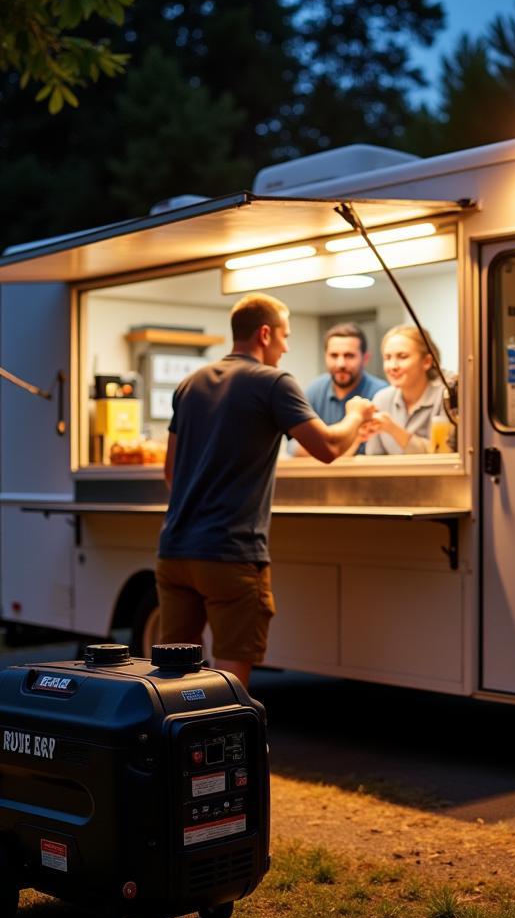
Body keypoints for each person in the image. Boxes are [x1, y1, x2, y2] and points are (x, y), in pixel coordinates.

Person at [156, 292, 375, 688]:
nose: (287, 346)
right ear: (264, 334)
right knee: (228, 682)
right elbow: (326, 448)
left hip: (174, 552)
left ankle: (175, 746)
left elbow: (170, 472)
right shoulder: (273, 382)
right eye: (284, 336)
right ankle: (228, 747)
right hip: (230, 554)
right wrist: (355, 416)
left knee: (174, 677)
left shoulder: (190, 384)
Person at [291, 323, 386, 456]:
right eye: (334, 355)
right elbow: (294, 446)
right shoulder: (314, 390)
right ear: (325, 357)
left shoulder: (381, 394)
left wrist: (322, 444)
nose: (340, 364)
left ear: (365, 359)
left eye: (349, 356)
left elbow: (379, 452)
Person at [364, 325, 455, 455]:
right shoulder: (381, 399)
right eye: (387, 358)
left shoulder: (446, 396)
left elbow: (442, 455)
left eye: (402, 356)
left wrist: (393, 429)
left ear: (427, 361)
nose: (393, 366)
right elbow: (373, 458)